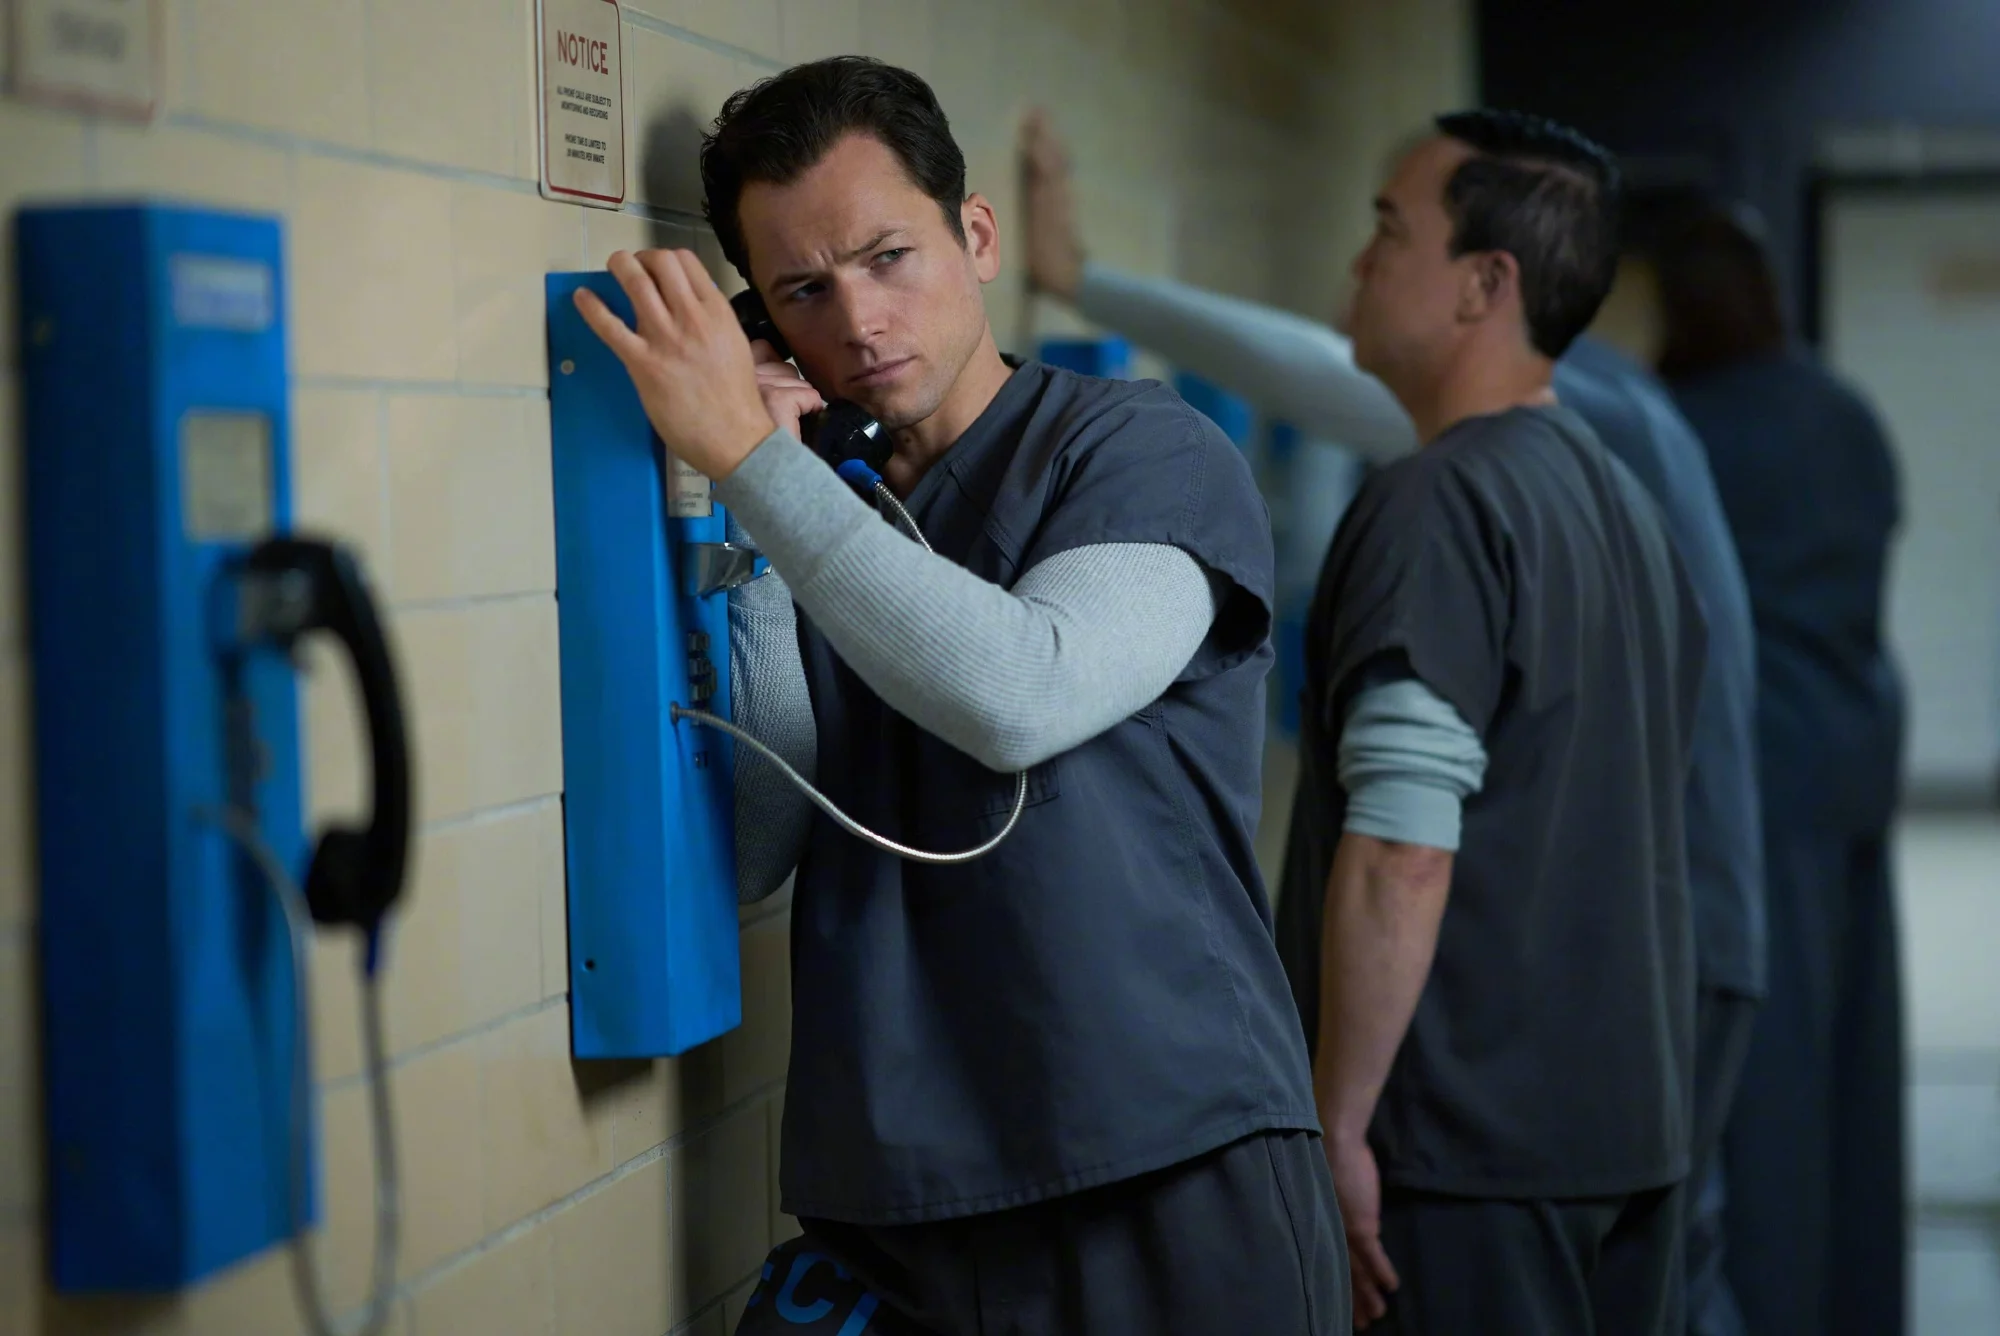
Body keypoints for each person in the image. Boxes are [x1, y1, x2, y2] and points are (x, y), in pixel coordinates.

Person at [574, 56, 1347, 1336]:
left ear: (975, 237)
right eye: (803, 291)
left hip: (1162, 1163)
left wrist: (751, 460)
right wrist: (751, 532)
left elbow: (1017, 692)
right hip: (905, 1194)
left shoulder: (1140, 452)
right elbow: (759, 844)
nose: (859, 321)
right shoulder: (815, 504)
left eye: (889, 258)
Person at [1023, 113, 1765, 1336]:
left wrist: (1340, 1117)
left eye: (1386, 230)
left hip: (1460, 1150)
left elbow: (1404, 843)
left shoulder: (1438, 501)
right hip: (1625, 1133)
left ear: (1483, 283)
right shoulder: (1621, 504)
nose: (1358, 264)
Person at [1654, 204, 1908, 1336]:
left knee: (1768, 1095)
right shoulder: (1842, 412)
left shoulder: (1680, 425)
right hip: (1851, 759)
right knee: (1852, 1077)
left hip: (1756, 775)